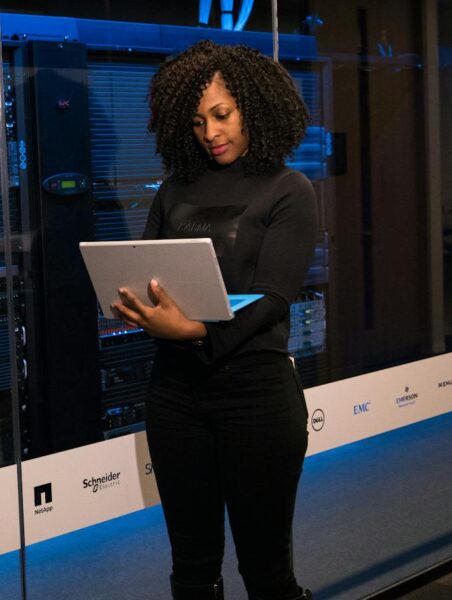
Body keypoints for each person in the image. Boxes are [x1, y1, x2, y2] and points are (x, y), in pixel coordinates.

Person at [110, 40, 316, 600]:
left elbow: (273, 297)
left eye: (221, 115)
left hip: (256, 396)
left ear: (254, 106)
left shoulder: (289, 189)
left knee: (266, 572)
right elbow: (147, 269)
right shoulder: (175, 188)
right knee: (192, 570)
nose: (210, 132)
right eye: (198, 121)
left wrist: (196, 330)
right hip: (175, 396)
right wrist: (132, 300)